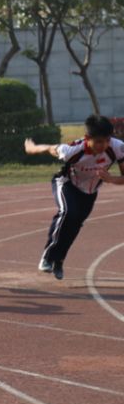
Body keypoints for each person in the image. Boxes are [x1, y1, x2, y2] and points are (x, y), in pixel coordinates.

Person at [24, 114, 124, 280]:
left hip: (90, 191)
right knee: (68, 213)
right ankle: (48, 257)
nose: (104, 145)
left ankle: (60, 260)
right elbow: (50, 148)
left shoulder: (117, 148)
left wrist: (111, 179)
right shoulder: (72, 151)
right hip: (67, 183)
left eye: (107, 140)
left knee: (75, 224)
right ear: (87, 138)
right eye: (99, 141)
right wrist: (32, 148)